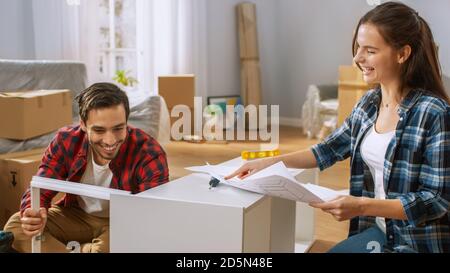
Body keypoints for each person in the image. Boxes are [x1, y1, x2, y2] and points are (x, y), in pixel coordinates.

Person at [226, 2, 450, 253]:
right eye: (357, 48)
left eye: (370, 50)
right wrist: (269, 162)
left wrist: (362, 205)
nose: (357, 58)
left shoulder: (433, 113)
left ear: (402, 54)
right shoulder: (368, 104)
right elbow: (327, 150)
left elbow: (436, 200)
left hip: (418, 242)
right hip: (380, 229)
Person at [3, 83, 170, 253]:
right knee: (16, 227)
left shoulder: (149, 152)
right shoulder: (66, 140)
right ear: (83, 124)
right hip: (76, 215)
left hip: (122, 220)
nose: (110, 140)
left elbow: (151, 215)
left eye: (118, 128)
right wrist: (33, 214)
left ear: (127, 121)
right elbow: (41, 188)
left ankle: (82, 249)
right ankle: (84, 249)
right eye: (99, 130)